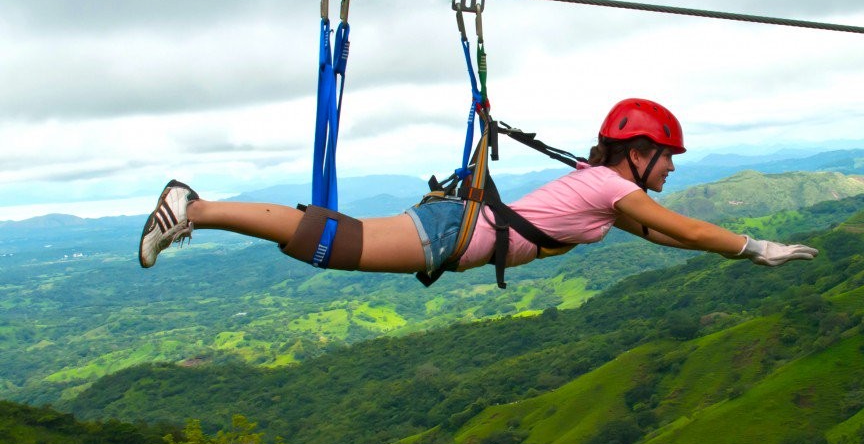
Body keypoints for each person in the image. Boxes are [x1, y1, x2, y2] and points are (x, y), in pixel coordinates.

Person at [138, 98, 819, 276]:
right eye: (666, 158)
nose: (671, 169)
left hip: (455, 231)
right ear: (637, 154)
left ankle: (197, 210)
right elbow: (690, 228)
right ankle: (195, 208)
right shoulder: (612, 190)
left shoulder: (605, 195)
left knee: (336, 241)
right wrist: (756, 247)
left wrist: (739, 254)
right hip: (454, 233)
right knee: (335, 242)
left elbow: (672, 239)